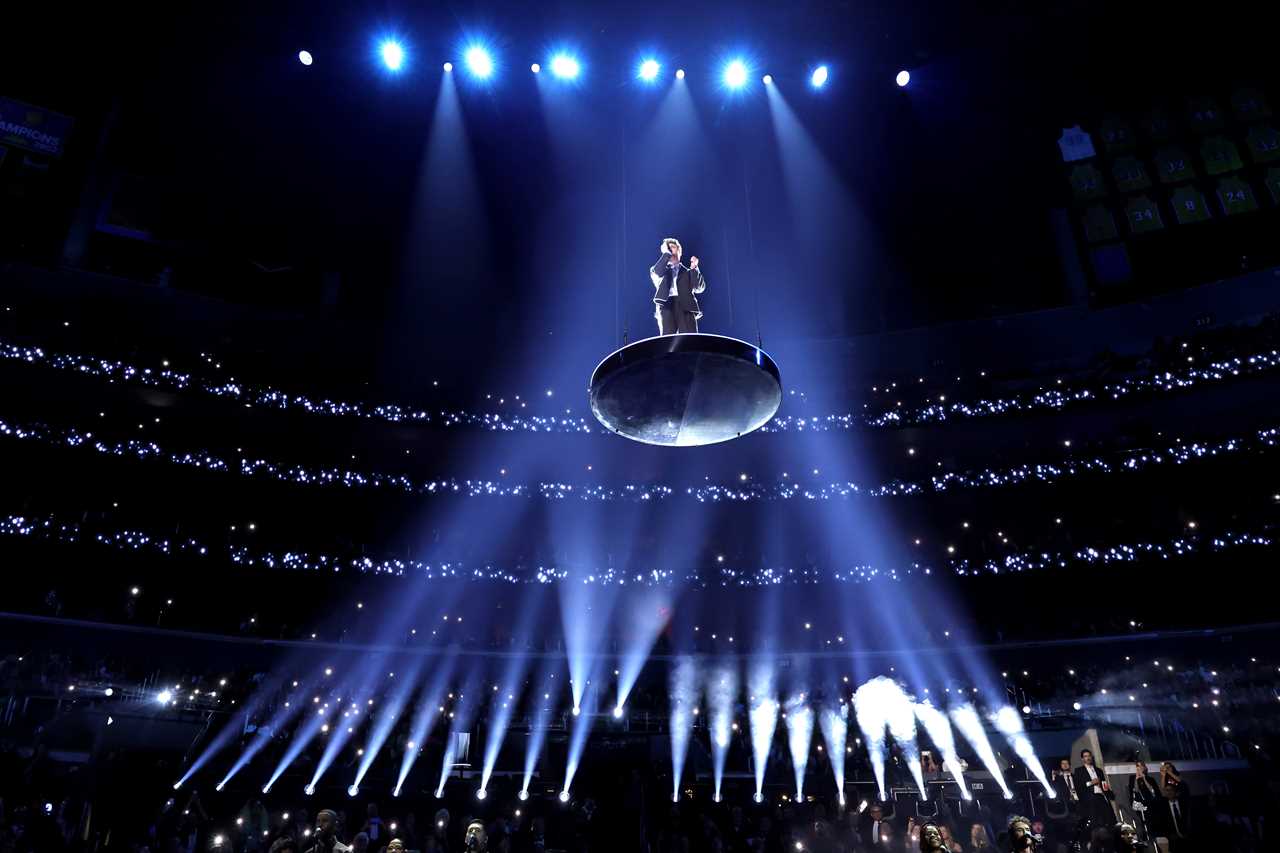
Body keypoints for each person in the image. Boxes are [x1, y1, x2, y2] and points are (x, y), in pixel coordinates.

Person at [649, 237, 706, 335]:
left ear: (679, 251)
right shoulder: (660, 270)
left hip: (686, 304)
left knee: (689, 338)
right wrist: (666, 254)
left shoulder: (688, 272)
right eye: (668, 248)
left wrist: (694, 268)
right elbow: (657, 273)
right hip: (667, 304)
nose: (670, 250)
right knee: (667, 339)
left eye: (672, 247)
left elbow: (699, 287)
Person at [1072, 750, 1116, 830]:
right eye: (1085, 756)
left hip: (1101, 796)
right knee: (1095, 822)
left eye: (1089, 756)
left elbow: (1104, 784)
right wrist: (1091, 783)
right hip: (1090, 798)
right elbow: (1078, 786)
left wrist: (1109, 793)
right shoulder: (1078, 771)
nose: (1088, 758)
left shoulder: (1099, 770)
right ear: (1082, 759)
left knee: (1108, 819)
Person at [1127, 761, 1161, 841]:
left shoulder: (1150, 779)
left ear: (1144, 768)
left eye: (1140, 766)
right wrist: (1137, 778)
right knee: (1141, 821)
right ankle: (1144, 838)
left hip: (1149, 803)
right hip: (1137, 804)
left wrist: (1144, 778)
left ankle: (1152, 838)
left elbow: (1153, 792)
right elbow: (1133, 791)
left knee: (1150, 821)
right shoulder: (1132, 778)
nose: (1138, 767)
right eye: (1137, 766)